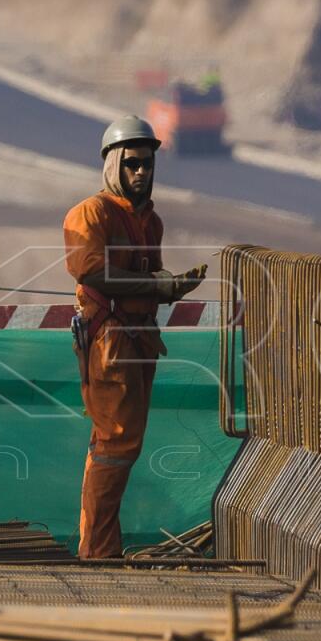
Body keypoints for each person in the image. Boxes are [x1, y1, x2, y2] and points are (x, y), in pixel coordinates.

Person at [62, 116, 207, 559]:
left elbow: (142, 280)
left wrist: (168, 285)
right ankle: (98, 550)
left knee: (123, 443)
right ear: (112, 166)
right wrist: (156, 286)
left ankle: (101, 545)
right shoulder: (91, 214)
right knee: (114, 442)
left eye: (147, 164)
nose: (141, 172)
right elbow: (90, 271)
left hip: (139, 341)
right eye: (132, 164)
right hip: (109, 343)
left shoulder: (150, 221)